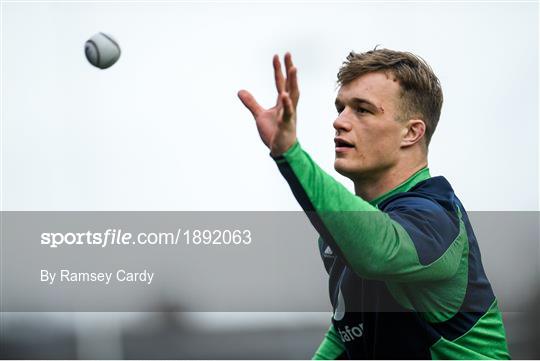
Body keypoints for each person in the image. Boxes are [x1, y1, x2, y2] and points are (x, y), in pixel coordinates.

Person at [237, 49, 510, 359]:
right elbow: (348, 332)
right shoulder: (345, 234)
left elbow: (376, 250)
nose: (339, 122)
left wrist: (290, 153)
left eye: (363, 110)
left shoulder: (437, 218)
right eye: (340, 108)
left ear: (411, 132)